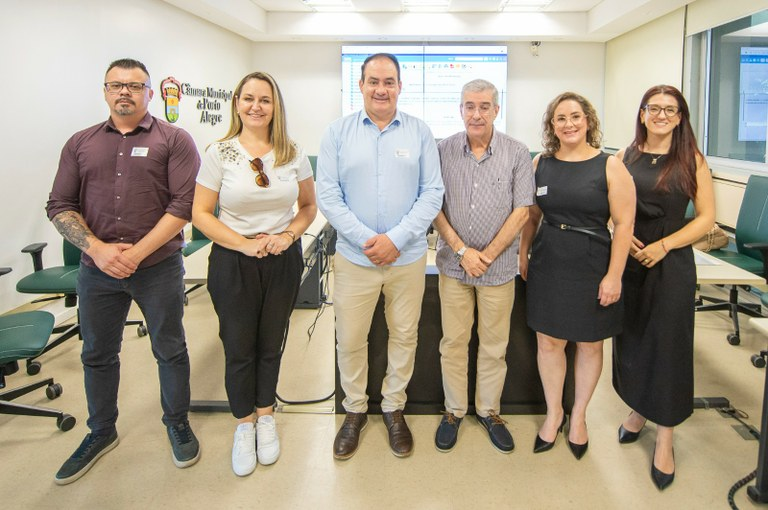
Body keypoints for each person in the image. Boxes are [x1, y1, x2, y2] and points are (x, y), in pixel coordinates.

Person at [47, 58, 201, 485]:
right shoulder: (80, 143)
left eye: (134, 86)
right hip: (97, 271)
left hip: (158, 267)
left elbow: (184, 205)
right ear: (105, 91)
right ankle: (101, 430)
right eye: (116, 85)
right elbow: (59, 205)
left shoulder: (174, 140)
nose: (124, 92)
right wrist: (98, 250)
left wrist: (135, 254)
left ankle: (177, 422)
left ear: (151, 92)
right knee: (97, 353)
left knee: (170, 348)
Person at [317, 53, 444, 460]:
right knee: (351, 338)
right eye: (373, 81)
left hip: (406, 259)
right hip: (354, 260)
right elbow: (328, 195)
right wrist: (368, 240)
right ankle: (354, 410)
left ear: (400, 86)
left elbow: (432, 193)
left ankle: (393, 407)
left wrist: (396, 238)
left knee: (404, 335)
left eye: (389, 81)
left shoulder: (420, 132)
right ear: (361, 85)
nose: (381, 89)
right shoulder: (337, 133)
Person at [192, 71, 317, 477]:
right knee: (238, 346)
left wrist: (288, 236)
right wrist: (243, 244)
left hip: (282, 260)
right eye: (248, 98)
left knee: (270, 343)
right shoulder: (220, 153)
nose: (256, 106)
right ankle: (244, 424)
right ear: (237, 103)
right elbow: (200, 214)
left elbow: (308, 207)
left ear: (275, 106)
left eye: (265, 99)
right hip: (234, 262)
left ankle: (266, 416)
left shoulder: (292, 153)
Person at [519, 92, 635, 460]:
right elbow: (531, 215)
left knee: (589, 343)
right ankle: (554, 413)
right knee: (548, 341)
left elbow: (624, 224)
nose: (568, 124)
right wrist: (523, 252)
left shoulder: (610, 166)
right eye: (560, 118)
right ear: (551, 126)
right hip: (549, 259)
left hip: (592, 262)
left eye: (575, 116)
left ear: (588, 121)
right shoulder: (540, 164)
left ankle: (579, 415)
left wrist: (614, 275)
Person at [612, 85, 715, 490]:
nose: (661, 115)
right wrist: (620, 235)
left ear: (680, 117)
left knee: (668, 345)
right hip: (631, 259)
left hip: (671, 260)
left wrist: (665, 245)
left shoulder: (691, 159)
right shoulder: (625, 156)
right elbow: (611, 207)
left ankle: (666, 437)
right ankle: (639, 410)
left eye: (670, 110)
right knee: (634, 339)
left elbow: (706, 218)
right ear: (642, 114)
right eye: (653, 108)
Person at [432, 79, 534, 454]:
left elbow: (522, 210)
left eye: (485, 106)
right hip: (454, 267)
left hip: (498, 270)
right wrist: (463, 251)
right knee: (453, 343)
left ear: (496, 110)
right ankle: (454, 411)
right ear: (460, 109)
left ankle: (489, 411)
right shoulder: (442, 151)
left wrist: (485, 255)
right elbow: (433, 206)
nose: (477, 114)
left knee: (494, 346)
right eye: (470, 106)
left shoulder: (517, 152)